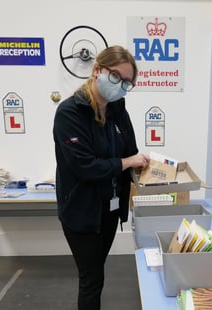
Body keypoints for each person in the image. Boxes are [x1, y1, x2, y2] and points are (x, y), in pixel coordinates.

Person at [53, 45, 150, 309]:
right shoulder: (70, 113)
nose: (120, 85)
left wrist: (145, 168)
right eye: (116, 76)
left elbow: (130, 152)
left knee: (97, 273)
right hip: (82, 213)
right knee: (91, 279)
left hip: (109, 210)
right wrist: (127, 161)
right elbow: (85, 167)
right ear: (97, 70)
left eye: (127, 82)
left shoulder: (118, 110)